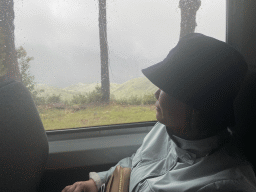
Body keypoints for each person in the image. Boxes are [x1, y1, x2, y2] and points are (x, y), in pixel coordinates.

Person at [61, 33, 256, 192]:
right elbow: (136, 162)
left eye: (165, 88)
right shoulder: (166, 129)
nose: (156, 93)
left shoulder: (225, 185)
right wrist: (96, 183)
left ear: (195, 106)